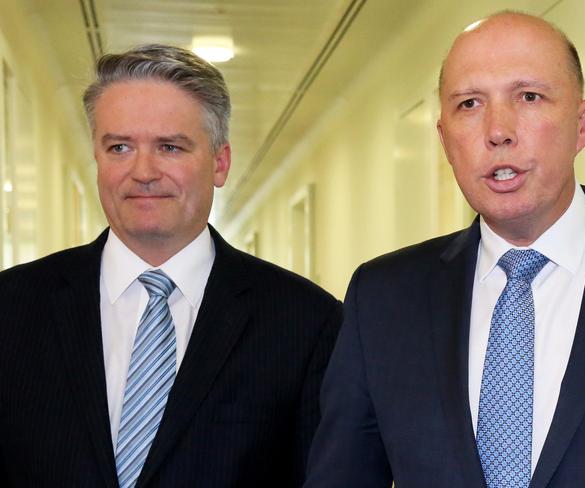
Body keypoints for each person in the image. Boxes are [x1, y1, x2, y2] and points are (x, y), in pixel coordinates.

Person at [305, 11, 585, 488]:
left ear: (582, 123)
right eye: (469, 104)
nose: (498, 130)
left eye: (529, 97)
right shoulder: (383, 298)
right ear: (445, 139)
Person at [0, 44, 341, 488]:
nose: (143, 171)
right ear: (97, 158)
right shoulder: (12, 307)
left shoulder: (306, 322)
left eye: (170, 147)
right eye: (120, 147)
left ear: (220, 163)